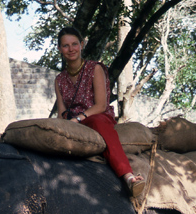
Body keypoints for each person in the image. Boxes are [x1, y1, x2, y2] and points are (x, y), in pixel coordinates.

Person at [54, 26, 146, 197]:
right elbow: (61, 113)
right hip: (73, 123)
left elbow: (101, 105)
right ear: (59, 49)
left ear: (82, 44)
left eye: (74, 44)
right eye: (65, 46)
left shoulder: (95, 68)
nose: (71, 49)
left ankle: (128, 176)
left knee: (97, 121)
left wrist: (79, 119)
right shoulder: (59, 80)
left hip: (97, 117)